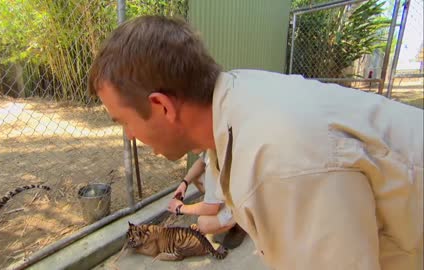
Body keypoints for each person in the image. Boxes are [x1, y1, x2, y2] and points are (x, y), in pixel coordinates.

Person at [88, 15, 423, 270]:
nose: (129, 135)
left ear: (161, 106)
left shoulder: (278, 163)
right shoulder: (237, 101)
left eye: (124, 122)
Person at [168, 150, 246, 249]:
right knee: (196, 176)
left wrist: (180, 208)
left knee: (203, 224)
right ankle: (222, 209)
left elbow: (211, 208)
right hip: (232, 188)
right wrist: (185, 182)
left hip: (239, 200)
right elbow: (202, 161)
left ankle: (239, 221)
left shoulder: (212, 168)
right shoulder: (210, 146)